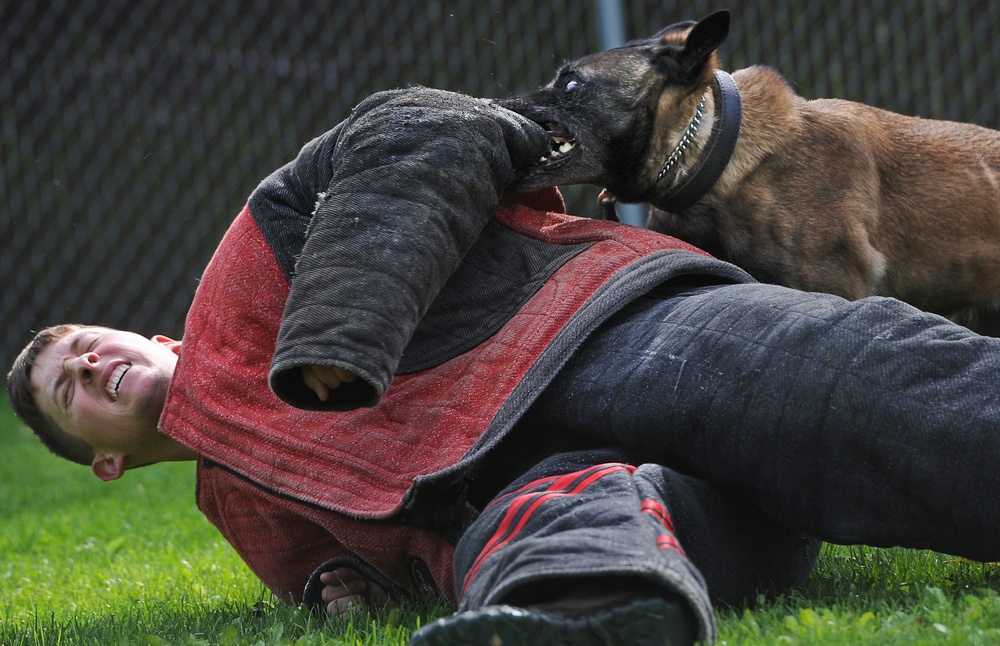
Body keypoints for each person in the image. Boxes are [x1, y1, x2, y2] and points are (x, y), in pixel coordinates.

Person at [9, 87, 1000, 646]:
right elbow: (329, 575)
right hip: (533, 492)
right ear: (100, 460)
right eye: (66, 384)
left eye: (90, 340)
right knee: (552, 536)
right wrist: (339, 588)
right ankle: (584, 619)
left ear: (163, 340)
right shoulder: (233, 502)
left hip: (592, 334)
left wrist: (345, 325)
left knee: (837, 385)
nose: (86, 359)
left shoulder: (245, 262)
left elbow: (420, 126)